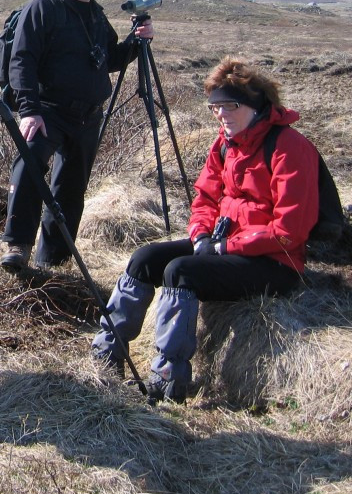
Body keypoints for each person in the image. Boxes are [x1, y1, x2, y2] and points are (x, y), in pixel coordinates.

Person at [91, 57, 319, 404]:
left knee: (180, 271)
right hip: (223, 246)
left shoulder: (289, 147)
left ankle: (168, 379)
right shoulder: (225, 143)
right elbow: (206, 198)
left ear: (256, 106)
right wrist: (200, 235)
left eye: (231, 105)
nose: (221, 114)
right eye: (215, 107)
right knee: (145, 258)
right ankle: (106, 356)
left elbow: (290, 231)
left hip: (276, 261)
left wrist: (224, 248)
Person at [0, 0, 154, 276]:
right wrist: (29, 110)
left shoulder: (96, 15)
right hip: (48, 110)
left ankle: (52, 261)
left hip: (87, 115)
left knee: (70, 190)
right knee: (29, 165)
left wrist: (136, 42)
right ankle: (18, 246)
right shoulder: (43, 8)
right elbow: (21, 60)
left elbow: (108, 59)